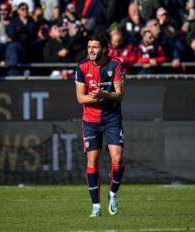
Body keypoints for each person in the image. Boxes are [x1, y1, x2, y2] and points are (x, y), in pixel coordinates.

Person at [75, 34, 125, 217]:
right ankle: (96, 206)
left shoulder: (115, 64)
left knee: (117, 160)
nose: (91, 51)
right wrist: (93, 96)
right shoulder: (81, 67)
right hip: (90, 120)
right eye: (89, 47)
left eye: (95, 47)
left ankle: (113, 194)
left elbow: (120, 95)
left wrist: (104, 94)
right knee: (92, 161)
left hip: (112, 118)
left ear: (105, 49)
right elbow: (80, 98)